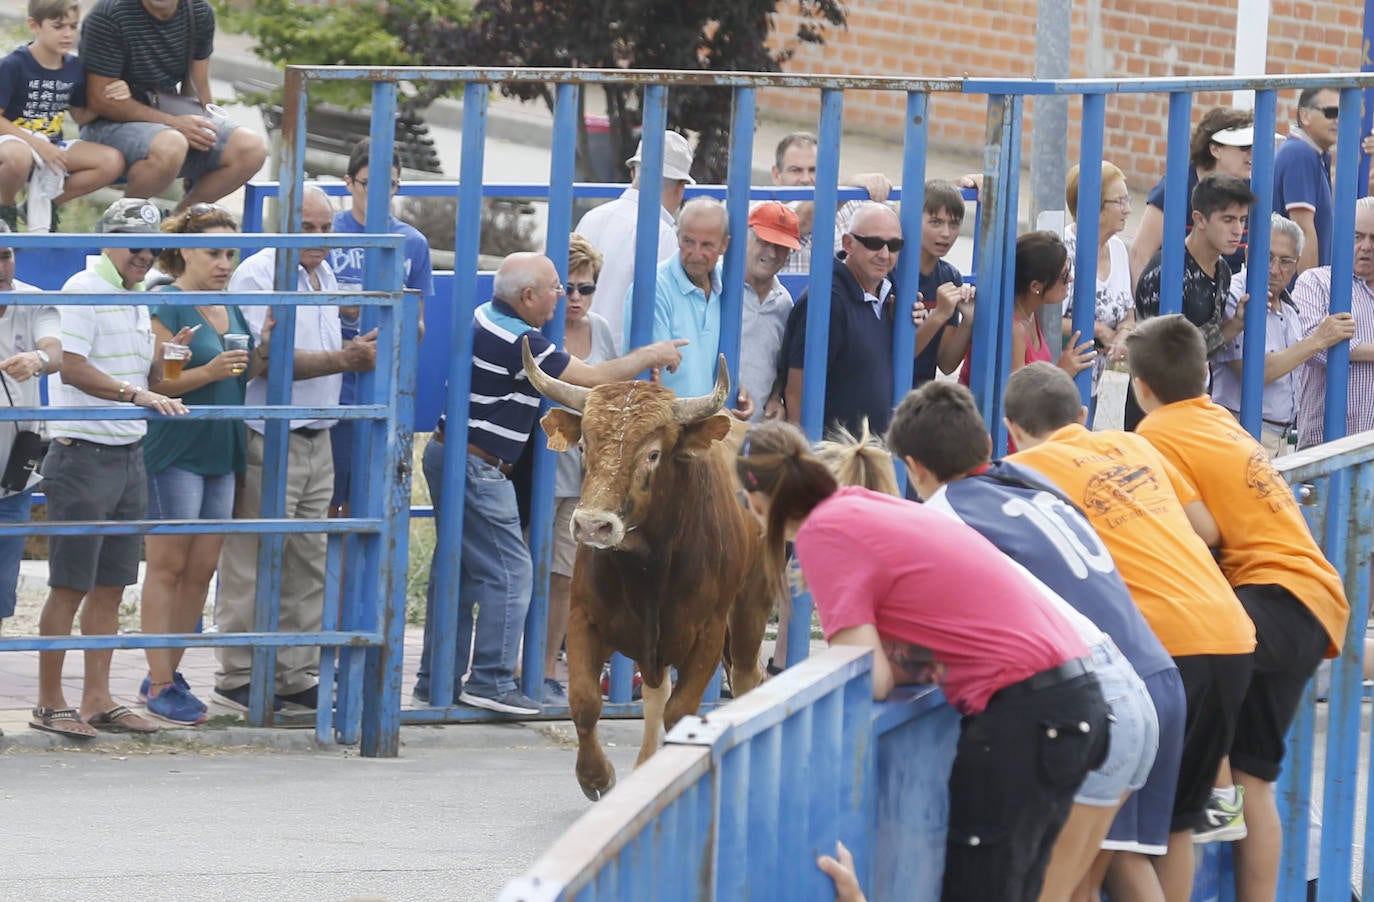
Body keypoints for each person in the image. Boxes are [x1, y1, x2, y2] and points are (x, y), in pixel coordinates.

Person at [736, 419, 1110, 902]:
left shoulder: (824, 532)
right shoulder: (862, 506)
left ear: (755, 500)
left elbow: (865, 677)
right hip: (1070, 700)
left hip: (1028, 712)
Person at [890, 380, 1172, 901]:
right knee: (1079, 888)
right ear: (988, 443)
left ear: (915, 467)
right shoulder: (1027, 482)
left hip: (1089, 698)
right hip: (1142, 681)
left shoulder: (943, 514)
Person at [1004, 361, 1256, 902]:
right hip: (1230, 632)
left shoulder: (1025, 472)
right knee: (1174, 826)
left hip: (1162, 646)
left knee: (1115, 842)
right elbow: (1197, 526)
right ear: (1082, 414)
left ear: (1011, 429)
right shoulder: (1134, 448)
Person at [1130, 315, 1349, 902]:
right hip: (1312, 599)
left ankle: (1212, 815)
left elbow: (1202, 530)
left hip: (1263, 598)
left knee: (1196, 677)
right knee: (1258, 778)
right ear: (1205, 375)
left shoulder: (1154, 434)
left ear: (1140, 386)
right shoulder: (1218, 418)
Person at [415, 252, 688, 714]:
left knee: (458, 570)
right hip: (478, 466)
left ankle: (437, 678)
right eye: (557, 288)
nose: (564, 296)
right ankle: (491, 681)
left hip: (456, 456)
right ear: (527, 297)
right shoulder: (521, 338)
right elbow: (594, 381)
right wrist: (649, 355)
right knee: (512, 572)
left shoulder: (489, 314)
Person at [210, 185, 376, 717]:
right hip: (269, 429)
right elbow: (266, 358)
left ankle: (293, 672)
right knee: (254, 554)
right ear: (283, 225)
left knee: (307, 555)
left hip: (316, 431)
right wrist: (345, 360)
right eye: (307, 228)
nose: (320, 239)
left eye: (326, 229)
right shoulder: (259, 273)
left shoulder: (320, 274)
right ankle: (239, 671)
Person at [31, 197, 190, 740]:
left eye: (153, 247)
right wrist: (138, 393)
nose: (145, 255)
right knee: (70, 585)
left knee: (112, 585)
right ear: (109, 241)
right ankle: (50, 701)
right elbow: (72, 368)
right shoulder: (83, 289)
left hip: (125, 451)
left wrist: (166, 359)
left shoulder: (135, 295)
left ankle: (97, 697)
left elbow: (131, 367)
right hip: (82, 453)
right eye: (135, 245)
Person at [137, 203, 260, 726]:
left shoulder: (230, 306)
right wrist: (209, 369)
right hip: (178, 446)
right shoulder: (166, 302)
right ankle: (160, 680)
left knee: (202, 568)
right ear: (186, 249)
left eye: (230, 253)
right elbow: (160, 384)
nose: (224, 262)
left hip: (223, 444)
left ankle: (167, 671)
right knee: (168, 564)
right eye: (214, 252)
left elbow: (245, 372)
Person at [76, 0, 268, 209]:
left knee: (251, 148)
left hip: (168, 122)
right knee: (171, 145)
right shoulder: (109, 15)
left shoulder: (199, 12)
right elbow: (101, 101)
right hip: (107, 126)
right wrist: (175, 123)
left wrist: (204, 129)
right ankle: (124, 228)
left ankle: (180, 225)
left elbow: (198, 85)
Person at [328, 137, 433, 515]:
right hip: (332, 390)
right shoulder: (329, 233)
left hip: (382, 393)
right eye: (368, 183)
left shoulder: (412, 243)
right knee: (328, 503)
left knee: (371, 505)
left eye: (388, 185)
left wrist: (398, 313)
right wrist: (345, 309)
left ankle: (360, 577)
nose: (378, 193)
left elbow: (418, 327)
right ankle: (328, 576)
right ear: (349, 183)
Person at [538, 234, 617, 705]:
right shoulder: (540, 326)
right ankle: (517, 665)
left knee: (565, 577)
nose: (575, 298)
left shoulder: (602, 330)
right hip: (540, 468)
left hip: (587, 479)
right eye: (566, 287)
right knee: (528, 570)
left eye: (585, 289)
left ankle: (548, 668)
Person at [1211, 213, 1355, 458]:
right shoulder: (1237, 295)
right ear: (1248, 254)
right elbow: (1253, 371)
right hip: (1240, 431)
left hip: (1280, 439)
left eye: (1285, 261)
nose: (1275, 270)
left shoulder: (1289, 309)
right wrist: (1318, 339)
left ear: (1297, 263)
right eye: (1267, 257)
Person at [1127, 173, 1255, 430]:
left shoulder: (1222, 270)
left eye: (1242, 220)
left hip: (1194, 405)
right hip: (1154, 409)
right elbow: (1161, 355)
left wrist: (1236, 324)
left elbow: (1199, 346)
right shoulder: (1166, 271)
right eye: (1227, 220)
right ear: (1200, 219)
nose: (1237, 230)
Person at [782, 202, 912, 435]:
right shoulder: (828, 301)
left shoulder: (892, 292)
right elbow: (796, 389)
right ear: (848, 244)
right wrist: (804, 457)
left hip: (871, 452)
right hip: (835, 457)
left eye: (894, 245)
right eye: (873, 243)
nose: (884, 254)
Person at [0, 0, 127, 231]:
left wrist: (114, 96)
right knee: (18, 156)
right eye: (58, 27)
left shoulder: (75, 67)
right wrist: (37, 144)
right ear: (34, 25)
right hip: (12, 141)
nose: (67, 34)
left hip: (52, 143)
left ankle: (41, 205)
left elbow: (80, 116)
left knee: (112, 161)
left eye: (72, 26)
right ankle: (4, 210)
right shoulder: (13, 65)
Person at [623, 197, 751, 416]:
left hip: (709, 430)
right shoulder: (653, 288)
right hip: (669, 432)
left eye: (707, 245)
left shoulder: (729, 286)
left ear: (724, 245)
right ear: (677, 234)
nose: (696, 253)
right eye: (688, 241)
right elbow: (652, 382)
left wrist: (735, 396)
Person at [574, 130, 693, 346]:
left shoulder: (591, 217)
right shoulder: (662, 234)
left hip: (577, 349)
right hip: (625, 362)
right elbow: (666, 311)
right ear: (681, 187)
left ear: (633, 174)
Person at [0, 222, 59, 636]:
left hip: (17, 464)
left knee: (3, 578)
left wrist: (37, 357)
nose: (2, 265)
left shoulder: (34, 300)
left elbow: (56, 352)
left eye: (5, 254)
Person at [1130, 107, 1254, 282]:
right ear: (1215, 150)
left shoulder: (1251, 189)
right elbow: (1139, 254)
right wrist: (1148, 308)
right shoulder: (1175, 188)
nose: (1252, 152)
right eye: (1244, 147)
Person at [1292, 196, 1374, 449]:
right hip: (1323, 449)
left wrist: (1351, 346)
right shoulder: (1316, 282)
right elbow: (1313, 348)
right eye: (1357, 236)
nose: (1366, 246)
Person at [767, 131, 894, 275]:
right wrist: (846, 186)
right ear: (776, 175)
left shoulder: (850, 204)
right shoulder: (762, 210)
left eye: (814, 170)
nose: (806, 179)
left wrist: (880, 184)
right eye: (796, 170)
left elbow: (900, 215)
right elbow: (800, 219)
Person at [1063, 161, 1136, 405]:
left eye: (1128, 200)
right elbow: (1046, 320)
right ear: (1094, 206)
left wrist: (1123, 334)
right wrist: (1098, 329)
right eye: (1120, 201)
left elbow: (1128, 313)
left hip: (1093, 383)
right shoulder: (1063, 250)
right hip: (1061, 379)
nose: (1127, 210)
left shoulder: (1118, 249)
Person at [910, 179, 976, 387]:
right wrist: (939, 314)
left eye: (954, 224)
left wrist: (968, 320)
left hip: (921, 395)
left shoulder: (950, 276)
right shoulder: (893, 273)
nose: (946, 233)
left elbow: (946, 364)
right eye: (936, 222)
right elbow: (901, 353)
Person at [739, 201, 797, 422]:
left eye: (781, 245)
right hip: (711, 428)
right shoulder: (715, 285)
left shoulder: (784, 304)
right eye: (764, 241)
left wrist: (775, 397)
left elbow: (781, 366)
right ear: (746, 238)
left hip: (755, 434)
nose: (772, 252)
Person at [1274, 87, 1340, 275]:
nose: (1337, 120)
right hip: (1297, 292)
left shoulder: (1315, 154)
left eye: (1342, 113)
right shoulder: (1300, 154)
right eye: (1330, 112)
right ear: (1305, 115)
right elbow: (1303, 230)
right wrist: (1310, 296)